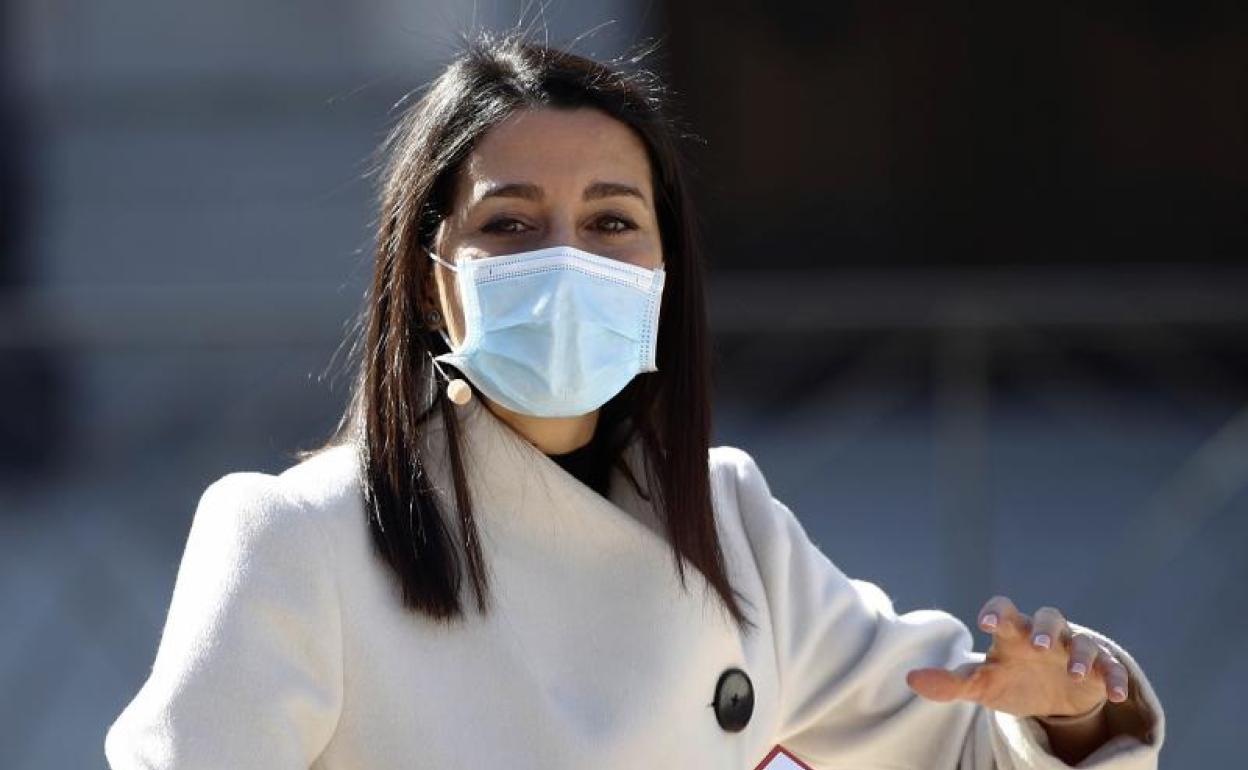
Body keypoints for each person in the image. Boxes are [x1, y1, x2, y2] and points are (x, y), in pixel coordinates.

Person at [104, 29, 1163, 770]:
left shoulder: (729, 519)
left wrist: (1064, 709)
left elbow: (960, 738)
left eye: (612, 223)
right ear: (434, 278)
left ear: (664, 269)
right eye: (511, 224)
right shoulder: (298, 535)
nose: (566, 257)